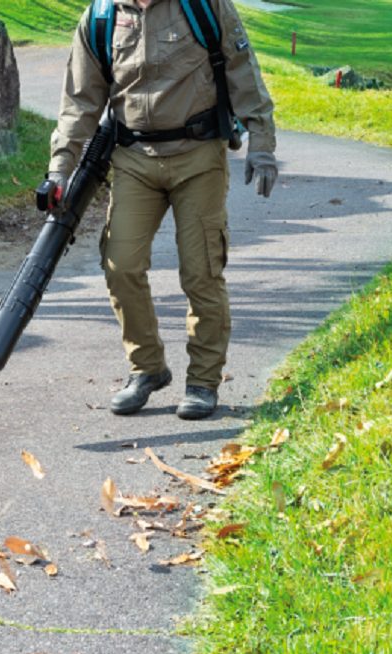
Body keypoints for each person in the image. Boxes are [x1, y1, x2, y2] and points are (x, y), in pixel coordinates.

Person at [46, 0, 277, 420]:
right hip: (134, 159)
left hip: (198, 155)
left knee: (201, 270)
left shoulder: (203, 5)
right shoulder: (101, 17)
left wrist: (261, 146)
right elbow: (79, 102)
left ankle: (203, 381)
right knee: (120, 265)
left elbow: (243, 70)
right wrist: (60, 169)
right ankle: (147, 368)